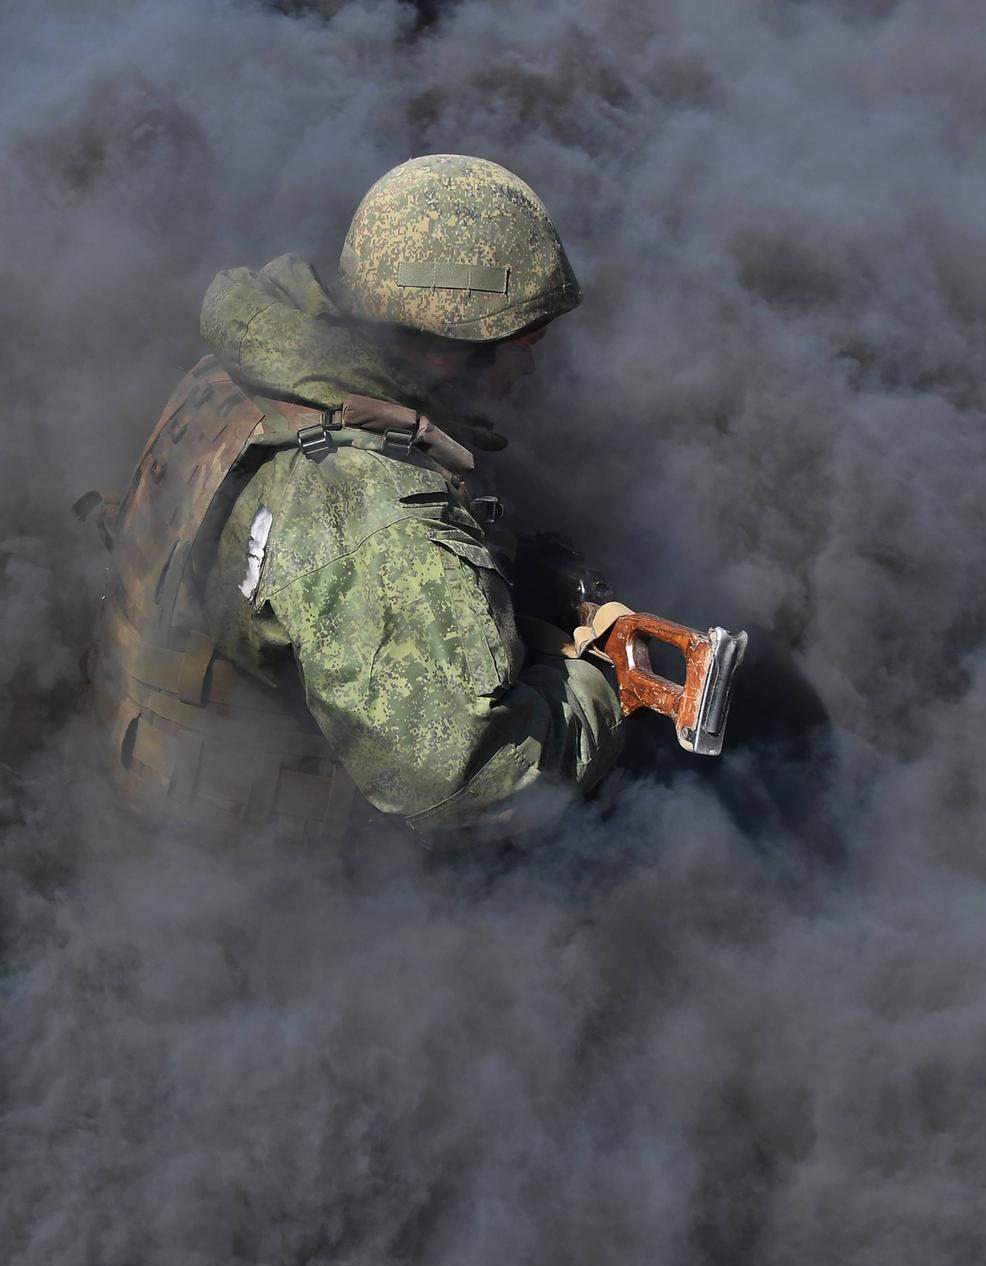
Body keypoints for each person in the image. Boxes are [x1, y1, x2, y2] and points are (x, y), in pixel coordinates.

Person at [87, 155, 625, 846]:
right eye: (524, 341)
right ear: (444, 352)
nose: (531, 365)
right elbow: (465, 781)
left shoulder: (246, 372)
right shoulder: (369, 503)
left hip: (141, 757)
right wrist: (600, 686)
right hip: (250, 865)